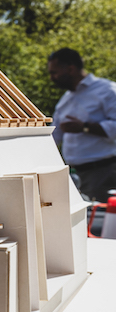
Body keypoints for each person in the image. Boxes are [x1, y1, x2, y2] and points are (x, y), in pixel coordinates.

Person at [48, 48, 116, 201]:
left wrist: (85, 127)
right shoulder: (65, 100)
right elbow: (52, 136)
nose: (52, 78)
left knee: (100, 216)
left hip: (101, 173)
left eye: (54, 73)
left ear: (71, 69)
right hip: (73, 176)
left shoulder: (107, 90)